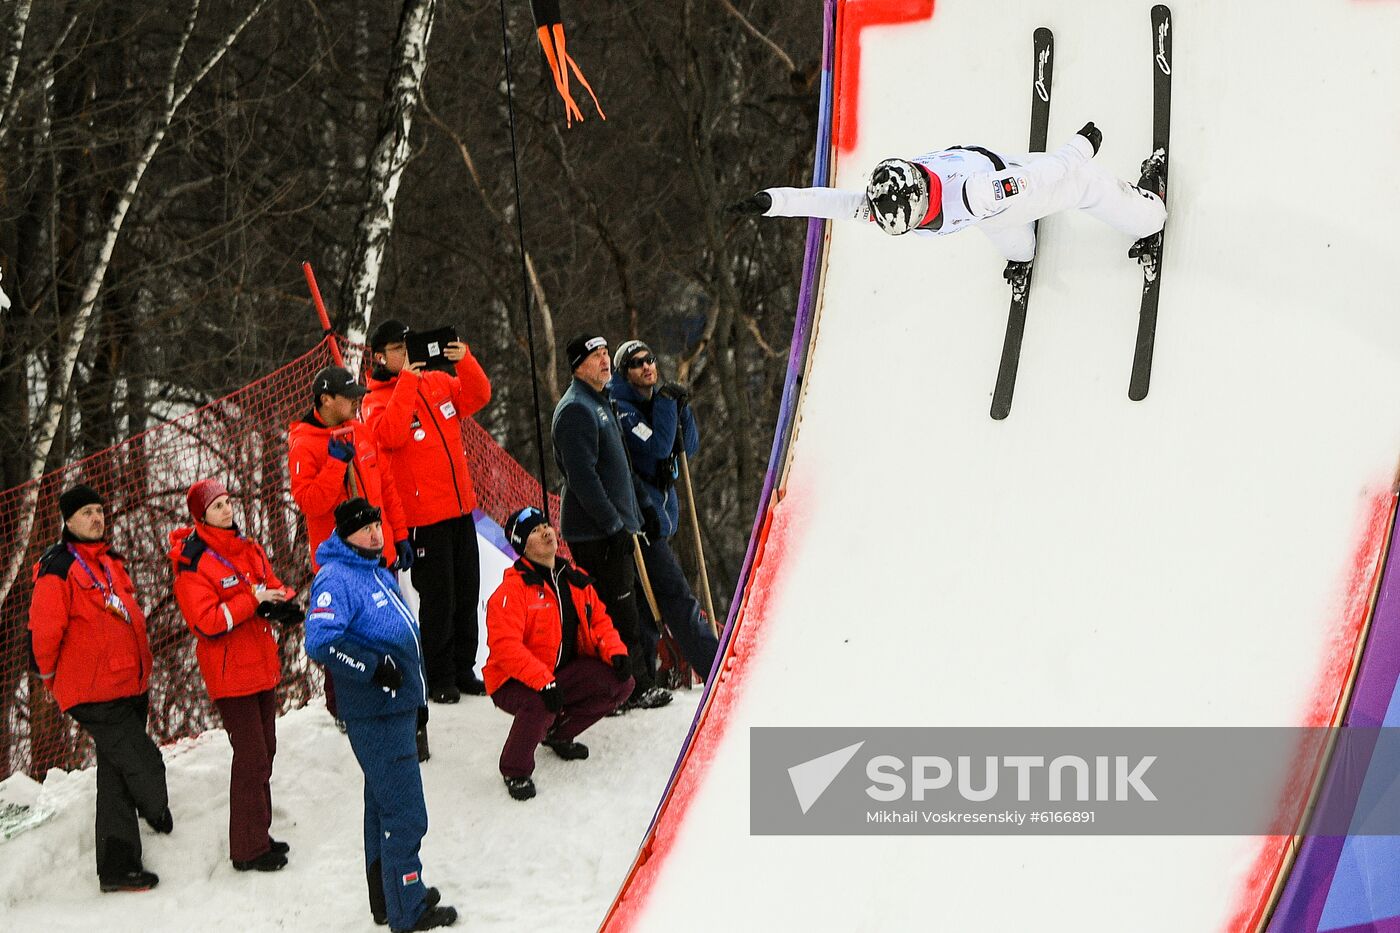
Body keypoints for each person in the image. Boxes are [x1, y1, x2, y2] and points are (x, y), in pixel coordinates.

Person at [729, 122, 1166, 291]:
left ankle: (1026, 254)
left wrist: (1078, 149)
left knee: (1054, 208)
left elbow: (837, 203)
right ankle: (1147, 214)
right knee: (1054, 216)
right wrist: (1080, 148)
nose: (874, 217)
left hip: (1004, 202)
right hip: (1007, 198)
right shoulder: (935, 193)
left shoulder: (954, 196)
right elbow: (839, 203)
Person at [305, 499, 457, 933]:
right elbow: (320, 641)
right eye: (365, 528)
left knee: (381, 807)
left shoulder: (374, 568)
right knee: (406, 814)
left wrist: (417, 694)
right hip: (377, 714)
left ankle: (387, 899)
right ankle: (409, 909)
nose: (375, 534)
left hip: (399, 707)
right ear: (344, 534)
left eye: (378, 525)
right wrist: (372, 667)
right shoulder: (337, 577)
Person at [28, 484, 171, 892]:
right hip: (93, 692)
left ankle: (117, 867)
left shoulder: (111, 561)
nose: (96, 518)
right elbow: (44, 631)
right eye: (87, 512)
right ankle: (156, 809)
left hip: (129, 683)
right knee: (143, 762)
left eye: (100, 510)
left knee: (116, 773)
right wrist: (50, 679)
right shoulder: (58, 566)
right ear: (68, 520)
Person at [289, 364, 428, 758]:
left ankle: (411, 714)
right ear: (324, 400)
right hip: (341, 564)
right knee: (347, 636)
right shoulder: (303, 444)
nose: (356, 401)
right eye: (348, 396)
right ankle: (347, 708)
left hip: (379, 552)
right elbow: (310, 503)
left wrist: (398, 535)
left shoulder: (362, 429)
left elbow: (386, 488)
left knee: (397, 631)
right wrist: (334, 464)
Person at [168, 478, 302, 873]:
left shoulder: (247, 547)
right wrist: (253, 602)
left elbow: (269, 585)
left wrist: (285, 604)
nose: (227, 510)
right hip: (230, 672)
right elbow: (207, 622)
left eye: (228, 502)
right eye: (217, 506)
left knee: (267, 751)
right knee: (252, 757)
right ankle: (247, 849)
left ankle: (257, 833)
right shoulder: (193, 561)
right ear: (200, 516)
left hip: (260, 663)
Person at [361, 319, 493, 704]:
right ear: (380, 357)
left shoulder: (437, 383)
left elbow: (478, 395)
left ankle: (463, 666)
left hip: (459, 508)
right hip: (423, 518)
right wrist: (406, 383)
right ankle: (439, 676)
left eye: (409, 346)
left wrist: (464, 360)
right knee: (439, 598)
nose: (406, 354)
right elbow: (390, 435)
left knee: (467, 591)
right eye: (398, 349)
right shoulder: (376, 399)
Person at [550, 332, 672, 710]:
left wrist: (644, 509)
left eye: (606, 354)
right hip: (595, 531)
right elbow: (583, 479)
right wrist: (613, 525)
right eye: (596, 355)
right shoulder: (575, 409)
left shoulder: (600, 401)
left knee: (628, 605)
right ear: (578, 366)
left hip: (619, 524)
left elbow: (621, 466)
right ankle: (629, 687)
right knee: (617, 610)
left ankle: (628, 683)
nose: (605, 361)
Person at [484, 507, 633, 800]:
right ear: (522, 546)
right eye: (535, 531)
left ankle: (559, 734)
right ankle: (515, 768)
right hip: (513, 680)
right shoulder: (511, 590)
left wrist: (616, 652)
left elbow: (599, 620)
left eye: (545, 525)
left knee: (621, 683)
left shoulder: (574, 578)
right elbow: (505, 647)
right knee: (540, 703)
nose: (546, 531)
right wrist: (542, 681)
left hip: (558, 673)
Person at [609, 340, 719, 681]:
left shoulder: (656, 402)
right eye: (636, 363)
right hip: (641, 521)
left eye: (650, 359)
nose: (647, 367)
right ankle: (711, 664)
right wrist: (668, 406)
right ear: (624, 373)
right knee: (676, 594)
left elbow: (689, 445)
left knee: (644, 603)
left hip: (662, 515)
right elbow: (657, 447)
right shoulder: (622, 410)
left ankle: (646, 675)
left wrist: (680, 407)